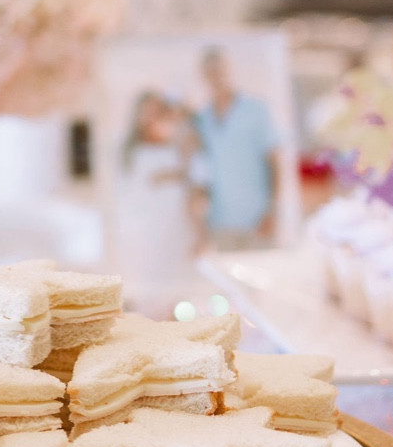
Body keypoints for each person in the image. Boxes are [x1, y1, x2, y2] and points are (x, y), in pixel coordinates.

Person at [190, 47, 279, 250]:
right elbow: (201, 171)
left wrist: (272, 211)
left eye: (219, 70)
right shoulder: (202, 118)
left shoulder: (256, 110)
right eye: (210, 72)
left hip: (256, 218)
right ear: (203, 75)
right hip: (220, 222)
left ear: (228, 70)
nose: (215, 76)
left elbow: (274, 162)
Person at [117, 90, 198, 297]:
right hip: (149, 227)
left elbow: (187, 173)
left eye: (157, 110)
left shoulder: (175, 142)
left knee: (180, 275)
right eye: (148, 111)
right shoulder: (131, 150)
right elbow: (140, 187)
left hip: (177, 221)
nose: (152, 116)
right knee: (154, 277)